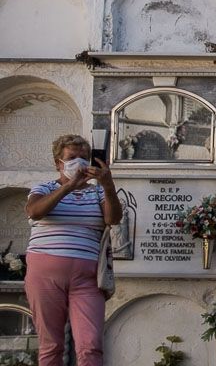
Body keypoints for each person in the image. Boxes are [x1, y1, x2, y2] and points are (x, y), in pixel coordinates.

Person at [24, 134, 122, 366]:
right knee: (51, 345)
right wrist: (68, 186)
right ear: (58, 163)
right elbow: (35, 211)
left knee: (90, 345)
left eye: (83, 157)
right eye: (71, 158)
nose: (78, 162)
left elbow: (113, 218)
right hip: (45, 276)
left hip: (87, 278)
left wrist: (108, 185)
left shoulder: (97, 192)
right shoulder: (44, 188)